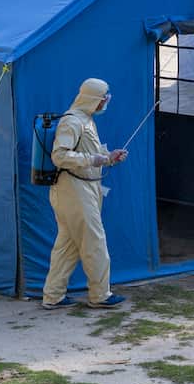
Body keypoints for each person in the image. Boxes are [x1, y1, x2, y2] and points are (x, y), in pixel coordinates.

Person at [41, 78, 128, 310]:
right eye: (103, 99)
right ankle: (100, 294)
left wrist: (108, 156)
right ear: (93, 99)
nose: (105, 103)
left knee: (68, 245)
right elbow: (59, 156)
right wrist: (93, 159)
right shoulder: (72, 122)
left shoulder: (86, 120)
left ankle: (53, 296)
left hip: (84, 188)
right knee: (94, 241)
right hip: (73, 190)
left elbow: (91, 151)